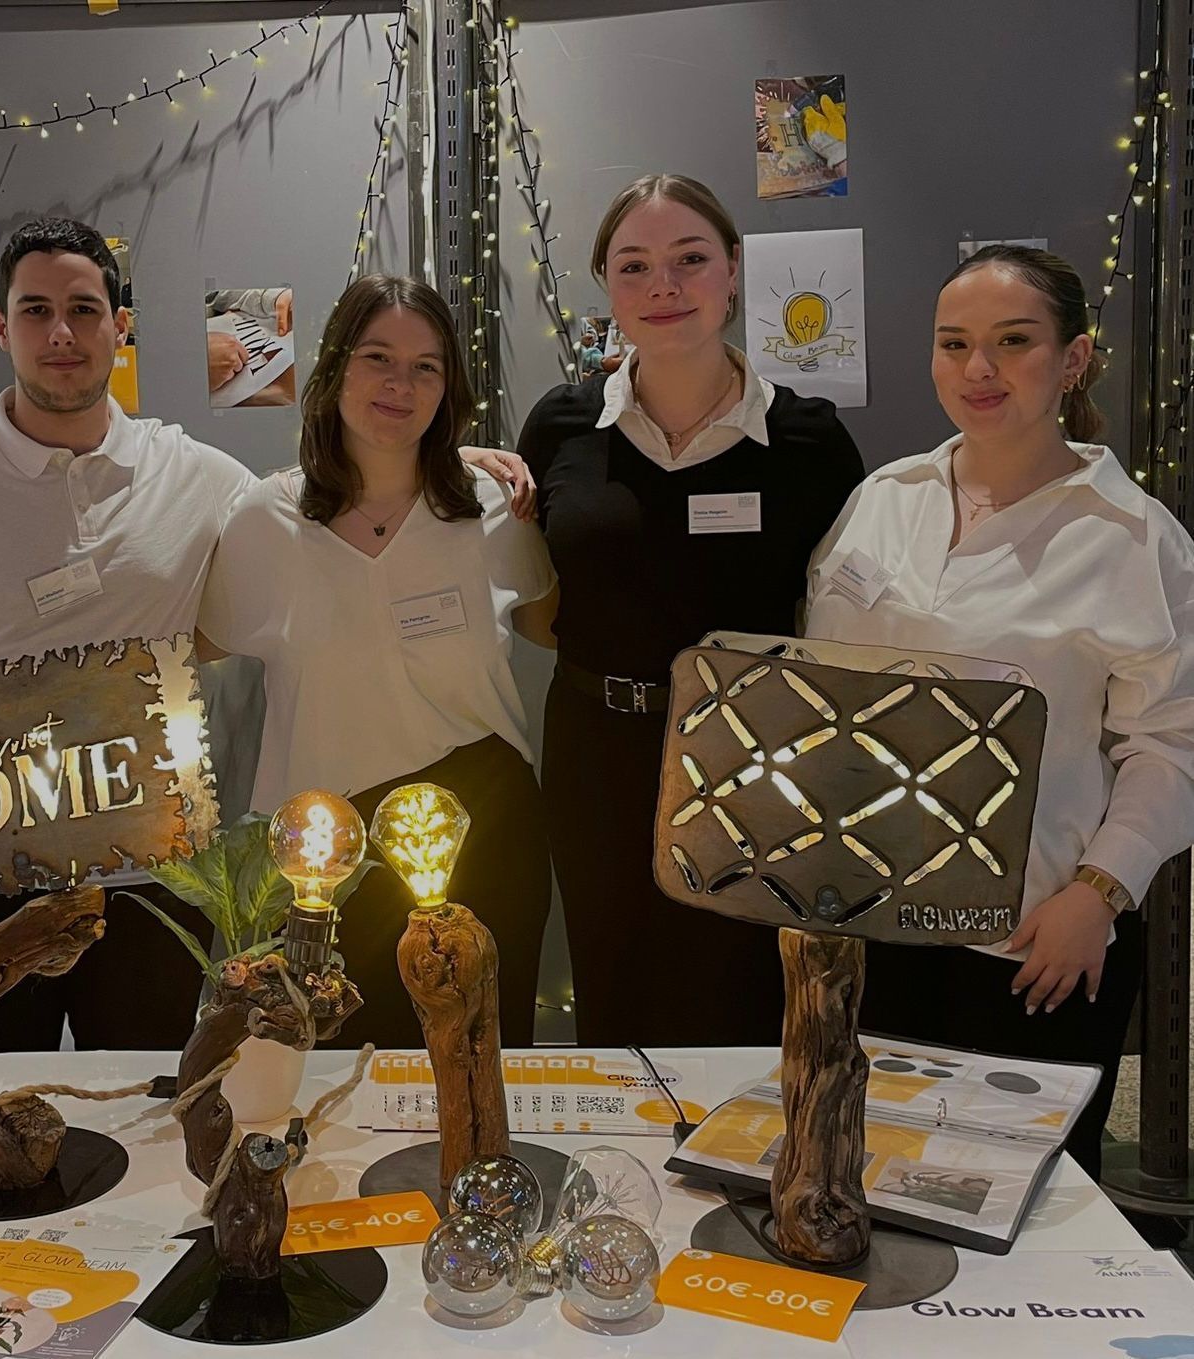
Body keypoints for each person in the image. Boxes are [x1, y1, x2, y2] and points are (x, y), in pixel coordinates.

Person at [806, 245, 1194, 1175]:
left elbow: (1172, 742)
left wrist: (1098, 893)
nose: (977, 368)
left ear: (1072, 359)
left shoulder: (1131, 536)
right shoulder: (882, 501)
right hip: (867, 920)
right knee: (864, 1170)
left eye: (1013, 341)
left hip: (1032, 938)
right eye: (954, 343)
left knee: (1016, 1193)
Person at [0, 217, 258, 1057]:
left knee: (148, 1112)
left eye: (82, 308)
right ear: (2, 329)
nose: (61, 333)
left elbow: (318, 513)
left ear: (120, 325)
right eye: (35, 310)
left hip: (151, 876)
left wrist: (457, 464)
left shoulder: (195, 477)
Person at [514, 174, 864, 1047]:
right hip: (595, 750)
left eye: (690, 259)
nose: (662, 285)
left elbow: (841, 621)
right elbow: (530, 584)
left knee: (740, 991)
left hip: (754, 756)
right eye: (633, 265)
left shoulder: (808, 441)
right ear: (606, 284)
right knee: (610, 980)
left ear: (733, 270)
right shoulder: (560, 427)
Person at [198, 274, 559, 1048]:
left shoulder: (492, 508)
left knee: (477, 1065)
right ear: (334, 368)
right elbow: (200, 643)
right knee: (332, 1076)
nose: (401, 383)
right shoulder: (265, 519)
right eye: (378, 358)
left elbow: (550, 623)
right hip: (327, 858)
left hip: (484, 834)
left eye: (426, 366)